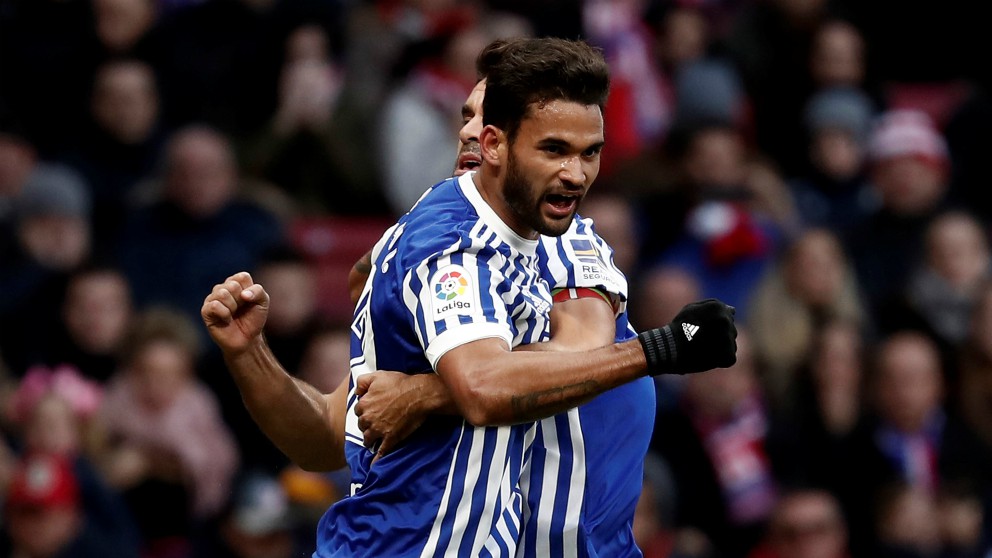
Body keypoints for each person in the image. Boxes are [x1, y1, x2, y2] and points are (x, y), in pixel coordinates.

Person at [202, 37, 737, 557]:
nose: (468, 134)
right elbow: (327, 435)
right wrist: (250, 357)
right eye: (465, 115)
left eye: (484, 119)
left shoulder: (565, 237)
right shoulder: (436, 245)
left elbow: (580, 353)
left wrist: (426, 393)